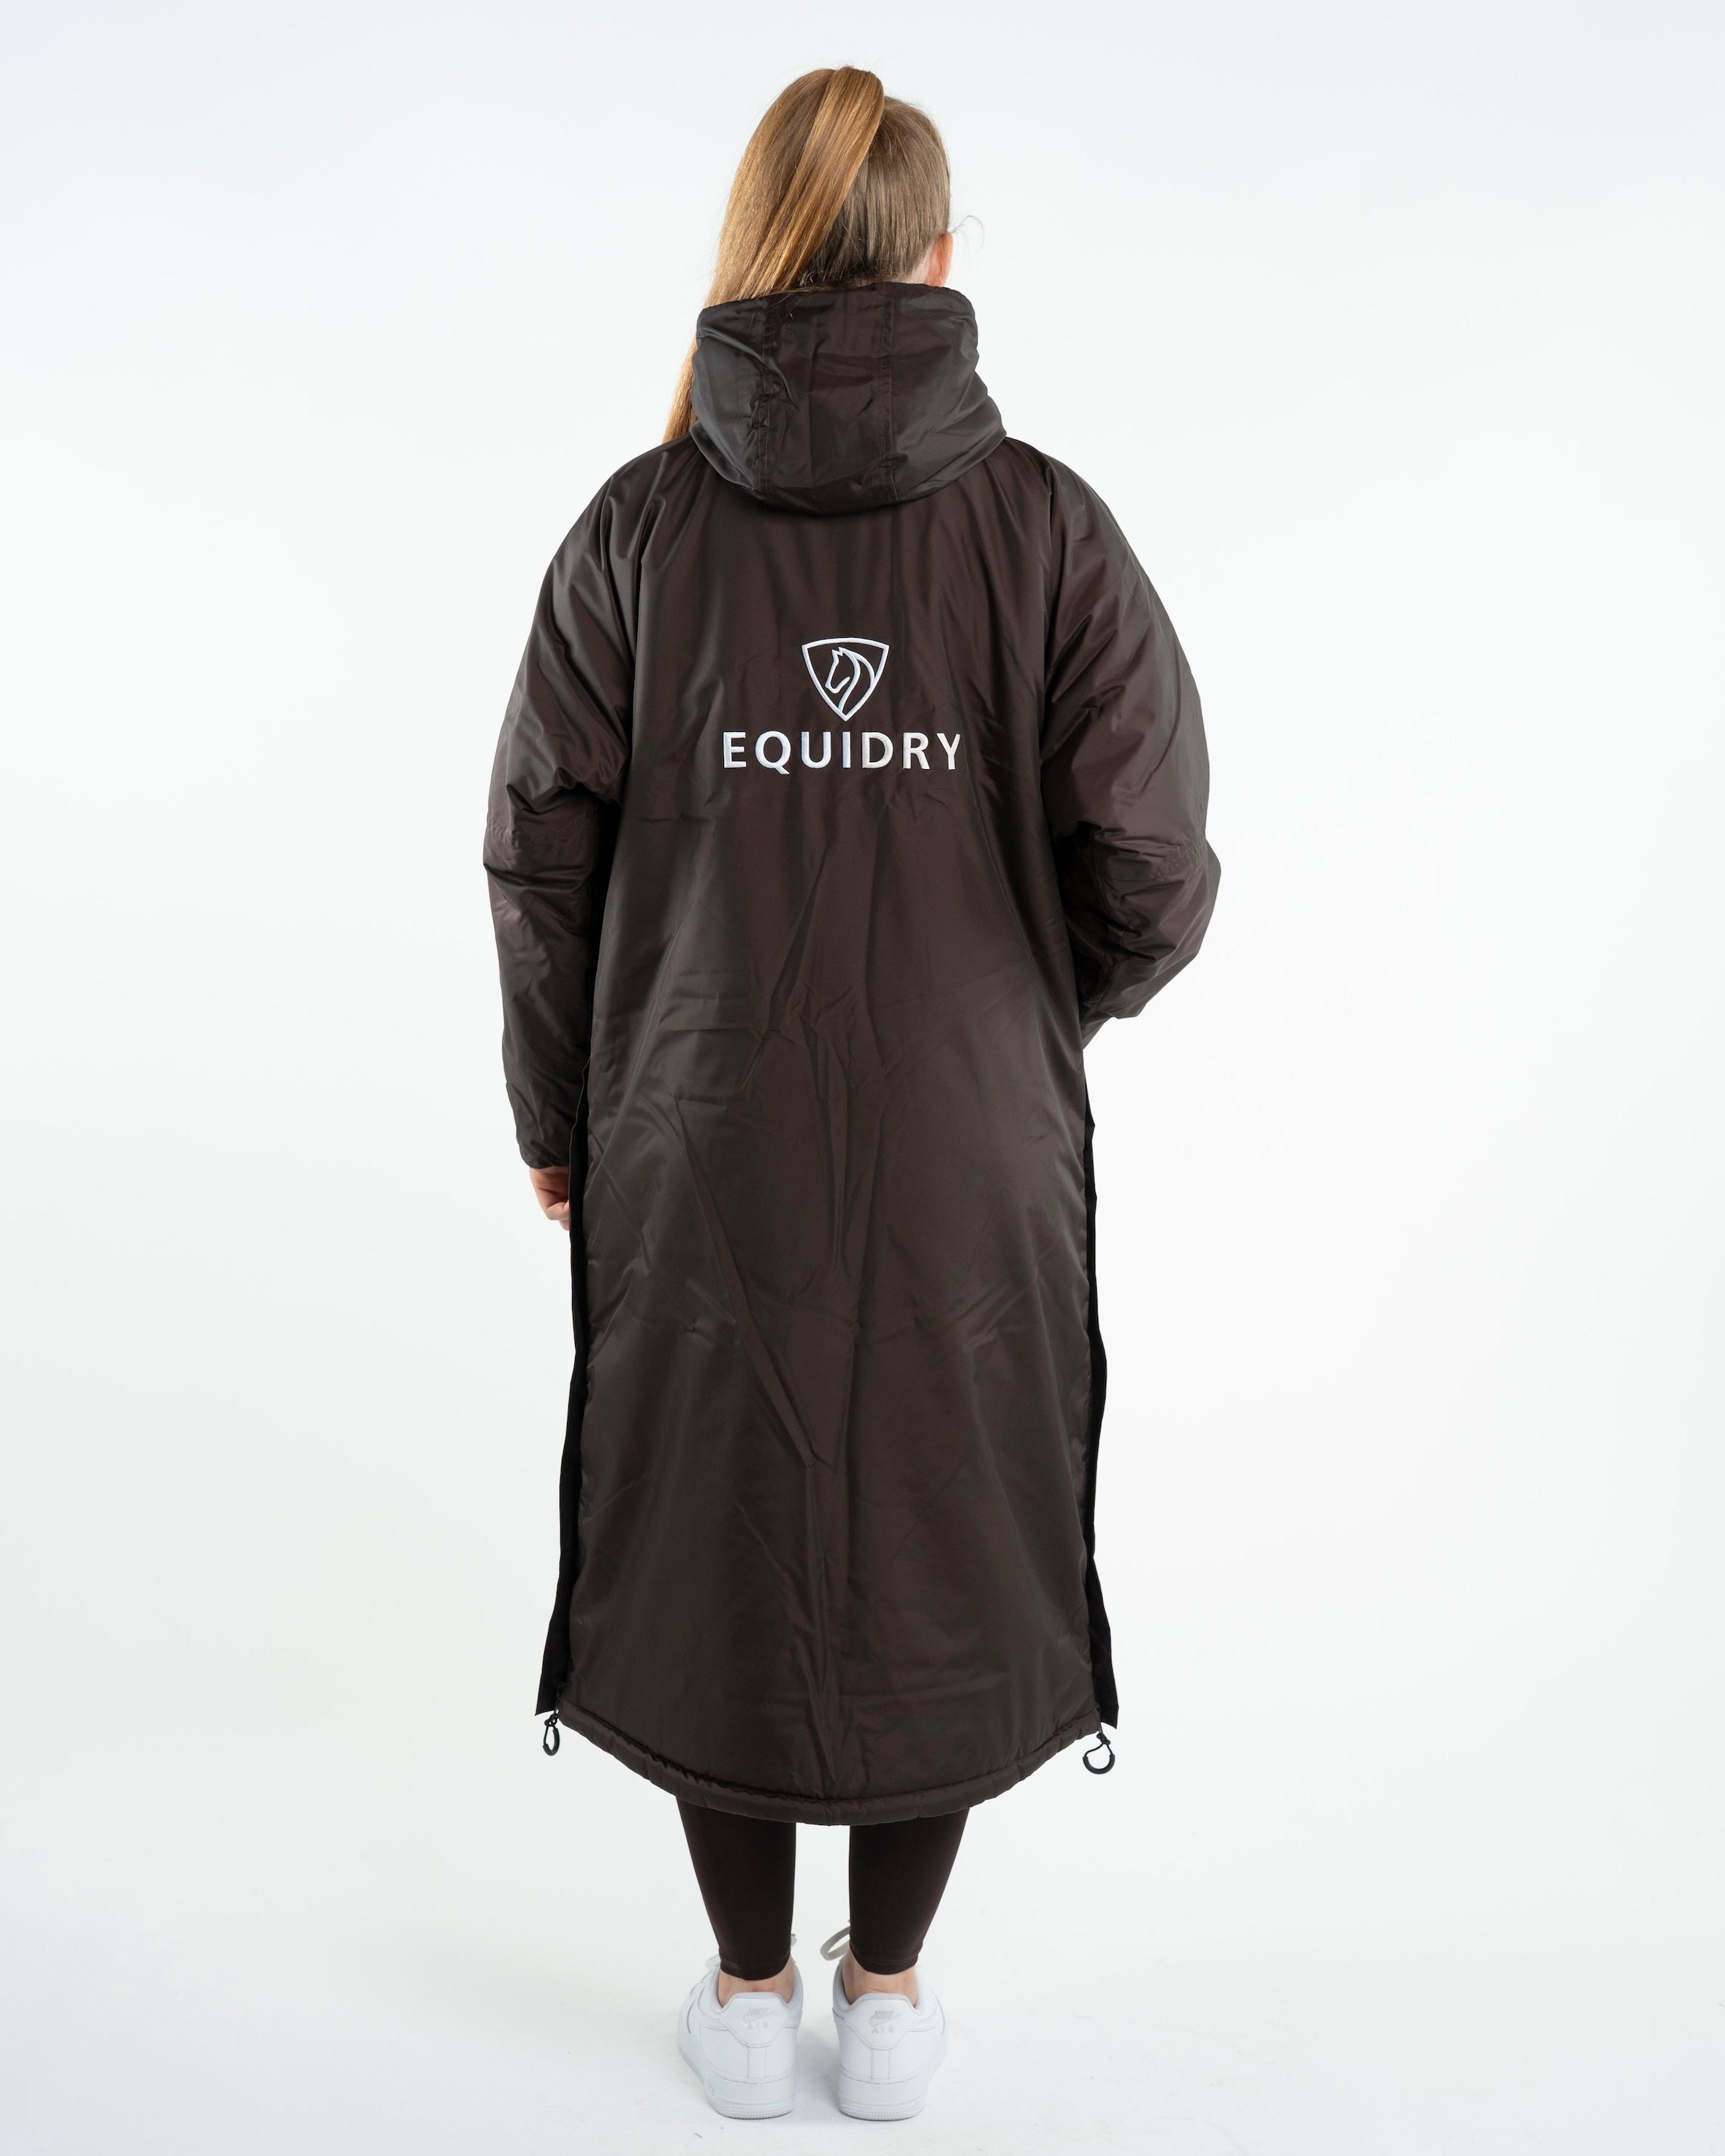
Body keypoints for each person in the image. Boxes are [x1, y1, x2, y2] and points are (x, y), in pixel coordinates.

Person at [484, 64, 1218, 2122]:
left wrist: (561, 1114)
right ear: (943, 260)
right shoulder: (1048, 529)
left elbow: (536, 855)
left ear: (757, 246)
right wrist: (1013, 1025)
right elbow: (1153, 865)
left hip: (693, 1139)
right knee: (938, 1527)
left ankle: (744, 2001)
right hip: (973, 1153)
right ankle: (884, 2003)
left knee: (719, 1520)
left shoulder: (637, 531)